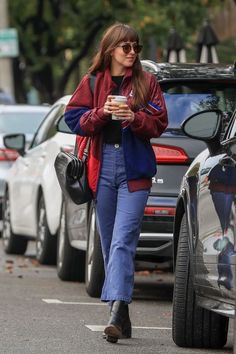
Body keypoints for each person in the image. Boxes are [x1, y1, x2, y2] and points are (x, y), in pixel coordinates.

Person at [64, 23, 168, 343]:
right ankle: (121, 315)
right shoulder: (93, 81)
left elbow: (159, 122)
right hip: (101, 167)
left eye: (136, 47)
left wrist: (133, 118)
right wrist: (101, 113)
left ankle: (116, 308)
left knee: (123, 240)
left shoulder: (146, 82)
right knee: (109, 244)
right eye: (126, 47)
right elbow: (73, 119)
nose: (132, 52)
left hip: (134, 171)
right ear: (111, 49)